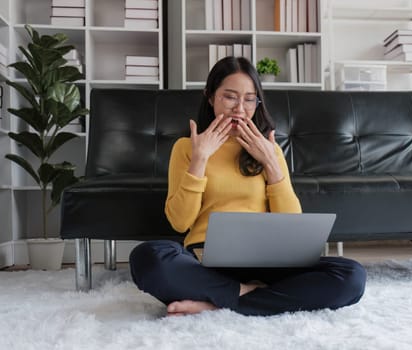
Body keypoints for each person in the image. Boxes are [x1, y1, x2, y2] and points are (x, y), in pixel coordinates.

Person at [129, 56, 366, 316]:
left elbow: (291, 222)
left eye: (249, 99)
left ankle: (216, 302)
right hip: (205, 259)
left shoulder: (269, 149)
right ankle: (248, 295)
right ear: (211, 98)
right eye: (230, 97)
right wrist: (200, 160)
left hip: (268, 261)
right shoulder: (187, 147)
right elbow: (180, 222)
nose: (240, 109)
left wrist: (271, 163)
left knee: (351, 276)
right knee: (147, 258)